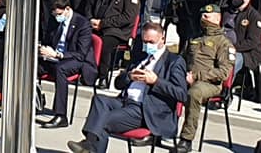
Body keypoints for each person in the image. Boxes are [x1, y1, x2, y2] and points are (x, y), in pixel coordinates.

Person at [67, 22, 189, 153]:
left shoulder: (173, 61)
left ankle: (89, 145)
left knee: (104, 121)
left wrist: (156, 81)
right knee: (99, 100)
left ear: (162, 39)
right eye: (144, 41)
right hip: (125, 101)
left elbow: (181, 94)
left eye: (151, 42)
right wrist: (129, 76)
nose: (148, 45)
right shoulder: (141, 58)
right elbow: (118, 84)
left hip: (146, 110)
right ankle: (89, 145)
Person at [175, 5, 235, 153]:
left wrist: (196, 77)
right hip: (186, 78)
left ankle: (186, 139)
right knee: (161, 85)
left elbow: (223, 72)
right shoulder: (194, 38)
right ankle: (157, 129)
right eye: (202, 16)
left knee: (194, 92)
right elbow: (180, 60)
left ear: (218, 18)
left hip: (210, 85)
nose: (203, 19)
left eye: (207, 16)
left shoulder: (224, 43)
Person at [38, 0, 97, 129]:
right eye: (54, 14)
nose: (56, 17)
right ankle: (35, 100)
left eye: (59, 13)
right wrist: (42, 49)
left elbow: (81, 53)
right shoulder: (54, 21)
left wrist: (58, 55)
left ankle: (61, 115)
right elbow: (49, 40)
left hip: (76, 59)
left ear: (67, 9)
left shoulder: (82, 24)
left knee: (61, 69)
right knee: (33, 65)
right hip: (55, 56)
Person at [85, 0, 140, 85]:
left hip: (116, 31)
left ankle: (102, 77)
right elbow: (90, 5)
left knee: (105, 44)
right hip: (95, 25)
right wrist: (91, 19)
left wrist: (103, 24)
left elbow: (127, 18)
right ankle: (85, 72)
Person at [222, 0, 261, 77]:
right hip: (223, 46)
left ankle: (225, 89)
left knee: (229, 61)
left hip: (246, 53)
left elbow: (253, 42)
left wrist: (233, 47)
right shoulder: (227, 12)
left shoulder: (254, 16)